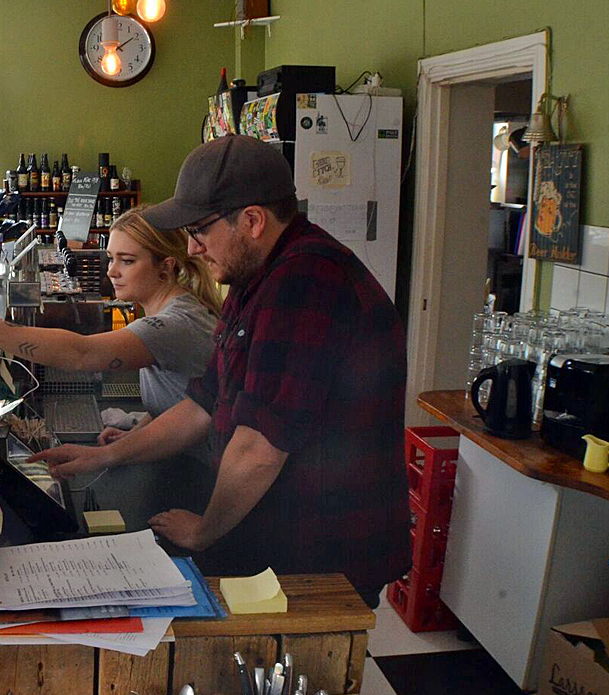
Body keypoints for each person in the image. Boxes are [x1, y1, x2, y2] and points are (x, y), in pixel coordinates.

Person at [33, 136, 411, 608]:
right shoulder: (257, 277)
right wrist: (104, 457)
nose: (192, 247)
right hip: (277, 528)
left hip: (321, 549)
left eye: (200, 231)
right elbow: (204, 403)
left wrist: (205, 529)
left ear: (252, 221)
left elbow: (259, 447)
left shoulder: (305, 282)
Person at [0, 206, 220, 438]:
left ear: (165, 267)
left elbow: (81, 353)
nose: (112, 271)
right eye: (111, 258)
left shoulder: (175, 324)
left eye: (127, 261)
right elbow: (177, 404)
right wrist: (137, 434)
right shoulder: (173, 310)